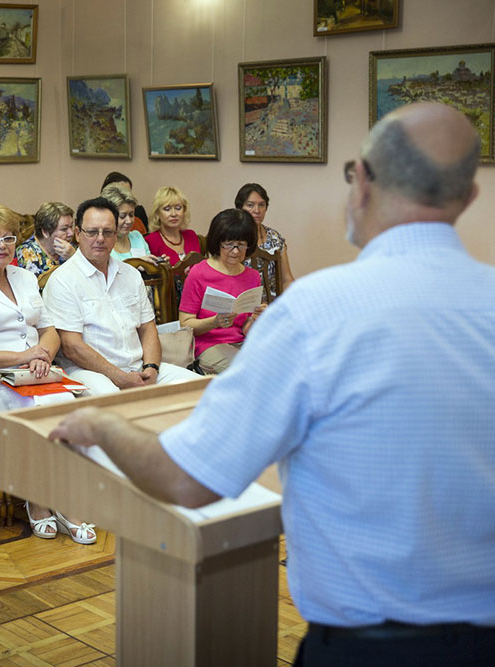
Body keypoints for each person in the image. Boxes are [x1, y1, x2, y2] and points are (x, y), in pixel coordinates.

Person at [51, 103, 495, 667]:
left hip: (371, 645)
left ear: (360, 181)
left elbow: (189, 479)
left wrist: (100, 425)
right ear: (469, 196)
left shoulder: (318, 310)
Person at [0, 205, 94, 544]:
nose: (2, 245)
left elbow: (49, 330)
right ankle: (41, 502)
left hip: (34, 372)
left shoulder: (25, 277)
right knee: (38, 413)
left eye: (9, 238)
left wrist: (42, 355)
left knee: (74, 407)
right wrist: (23, 357)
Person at [42, 197, 199, 395]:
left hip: (139, 366)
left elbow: (148, 328)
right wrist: (120, 377)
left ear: (116, 235)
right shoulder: (63, 280)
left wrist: (151, 368)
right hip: (89, 372)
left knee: (201, 387)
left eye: (108, 232)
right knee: (116, 401)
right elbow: (71, 346)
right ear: (78, 234)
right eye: (92, 232)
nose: (100, 239)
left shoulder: (131, 274)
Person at [178, 209, 264, 374]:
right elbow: (185, 324)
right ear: (218, 242)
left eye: (241, 245)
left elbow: (245, 327)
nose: (236, 251)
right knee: (247, 371)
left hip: (242, 342)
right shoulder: (199, 273)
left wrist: (255, 318)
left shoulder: (252, 276)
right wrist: (215, 322)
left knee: (278, 364)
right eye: (229, 244)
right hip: (208, 345)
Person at [235, 183, 295, 295]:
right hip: (242, 300)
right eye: (250, 205)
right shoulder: (231, 238)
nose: (257, 210)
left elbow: (287, 280)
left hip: (273, 302)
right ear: (240, 208)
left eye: (261, 205)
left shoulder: (275, 237)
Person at [15, 202, 76, 276]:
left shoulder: (70, 249)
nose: (71, 233)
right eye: (64, 229)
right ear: (45, 232)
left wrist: (73, 257)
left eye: (71, 226)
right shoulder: (27, 252)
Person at [144, 186, 201, 265]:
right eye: (167, 209)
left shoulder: (191, 235)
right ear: (157, 213)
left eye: (178, 208)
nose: (174, 214)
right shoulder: (150, 241)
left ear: (184, 211)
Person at [100, 184, 153, 261]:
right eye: (122, 216)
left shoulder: (137, 237)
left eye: (131, 215)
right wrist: (137, 263)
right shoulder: (100, 243)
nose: (129, 221)